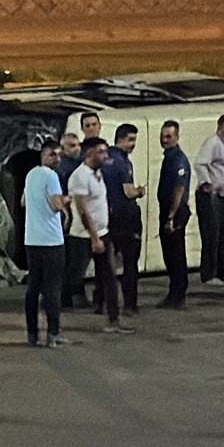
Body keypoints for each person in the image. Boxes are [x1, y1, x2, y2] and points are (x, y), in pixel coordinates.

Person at [69, 137, 133, 334]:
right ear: (89, 154)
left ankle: (113, 320)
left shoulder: (98, 174)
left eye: (106, 151)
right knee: (71, 277)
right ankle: (48, 315)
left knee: (110, 278)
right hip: (83, 236)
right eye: (101, 152)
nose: (106, 156)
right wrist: (94, 237)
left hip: (103, 233)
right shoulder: (80, 176)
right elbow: (82, 210)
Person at [23, 140, 71, 348]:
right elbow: (54, 204)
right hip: (51, 240)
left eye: (59, 155)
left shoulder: (31, 175)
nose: (57, 159)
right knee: (52, 288)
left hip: (31, 239)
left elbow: (24, 202)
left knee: (33, 288)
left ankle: (32, 334)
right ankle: (53, 334)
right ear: (43, 155)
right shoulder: (51, 176)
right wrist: (65, 204)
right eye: (53, 154)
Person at [101, 123, 146, 315]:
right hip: (126, 216)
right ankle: (130, 304)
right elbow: (128, 192)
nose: (133, 144)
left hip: (107, 214)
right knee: (130, 262)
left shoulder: (104, 158)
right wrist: (140, 192)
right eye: (131, 139)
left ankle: (101, 302)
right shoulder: (123, 162)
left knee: (106, 262)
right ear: (121, 139)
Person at [195, 114, 224, 285]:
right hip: (210, 195)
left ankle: (223, 271)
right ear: (220, 127)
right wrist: (207, 183)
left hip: (222, 195)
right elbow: (200, 163)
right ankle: (209, 274)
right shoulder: (213, 142)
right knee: (212, 235)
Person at [156, 120, 191, 310]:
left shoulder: (177, 158)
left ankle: (178, 295)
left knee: (175, 254)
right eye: (162, 136)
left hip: (175, 210)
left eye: (169, 136)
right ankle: (175, 293)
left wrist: (171, 216)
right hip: (169, 208)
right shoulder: (169, 157)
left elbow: (179, 188)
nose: (164, 140)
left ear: (177, 137)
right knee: (169, 254)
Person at [58, 132, 87, 309]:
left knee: (77, 261)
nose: (77, 148)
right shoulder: (62, 169)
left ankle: (75, 294)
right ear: (63, 149)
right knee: (69, 261)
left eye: (78, 145)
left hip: (76, 218)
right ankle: (65, 297)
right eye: (72, 146)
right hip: (67, 219)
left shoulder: (79, 164)